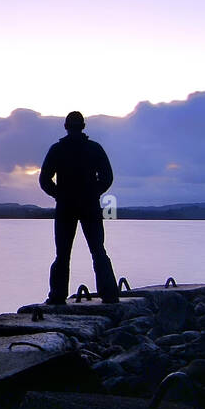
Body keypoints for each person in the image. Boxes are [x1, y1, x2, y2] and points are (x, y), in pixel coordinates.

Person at [38, 111, 120, 304]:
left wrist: (59, 194)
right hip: (86, 205)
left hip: (68, 206)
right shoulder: (93, 148)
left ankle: (57, 296)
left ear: (66, 127)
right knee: (97, 250)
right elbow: (107, 177)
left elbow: (44, 180)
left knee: (64, 253)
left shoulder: (58, 149)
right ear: (83, 127)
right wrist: (94, 192)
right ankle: (109, 294)